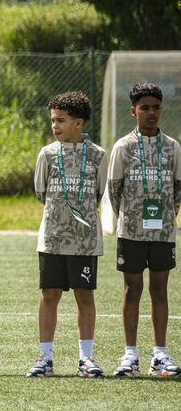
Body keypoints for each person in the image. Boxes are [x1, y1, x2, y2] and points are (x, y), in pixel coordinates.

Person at [27, 91, 107, 378]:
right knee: (50, 294)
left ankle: (86, 358)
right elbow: (41, 192)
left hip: (84, 242)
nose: (55, 126)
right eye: (52, 120)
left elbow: (99, 192)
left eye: (61, 120)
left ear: (79, 123)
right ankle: (45, 358)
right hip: (52, 238)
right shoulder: (47, 154)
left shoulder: (98, 155)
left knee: (84, 295)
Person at [107, 83, 181, 377]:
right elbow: (114, 189)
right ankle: (130, 355)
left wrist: (166, 217)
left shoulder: (173, 147)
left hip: (163, 232)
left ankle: (160, 354)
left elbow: (177, 190)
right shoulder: (123, 147)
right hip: (131, 232)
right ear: (133, 111)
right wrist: (129, 217)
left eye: (156, 108)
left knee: (160, 290)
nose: (151, 113)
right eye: (145, 108)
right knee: (132, 289)